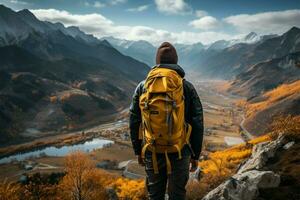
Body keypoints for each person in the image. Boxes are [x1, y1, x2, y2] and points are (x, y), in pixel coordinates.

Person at [129, 42, 204, 200]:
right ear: (176, 62)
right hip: (179, 149)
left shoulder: (143, 86)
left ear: (157, 62)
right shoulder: (186, 87)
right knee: (177, 194)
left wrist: (138, 150)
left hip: (152, 149)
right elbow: (197, 122)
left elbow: (134, 120)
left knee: (155, 195)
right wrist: (195, 154)